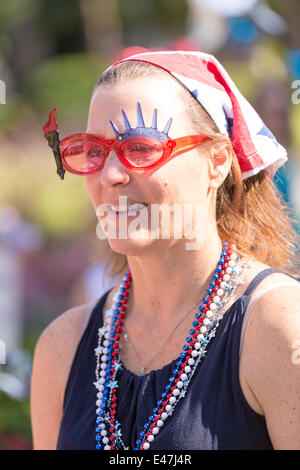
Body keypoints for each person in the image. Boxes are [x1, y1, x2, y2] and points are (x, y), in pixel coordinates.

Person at [31, 51, 300, 450]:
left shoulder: (278, 329)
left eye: (140, 147)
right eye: (93, 150)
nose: (110, 175)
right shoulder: (62, 346)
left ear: (218, 161)